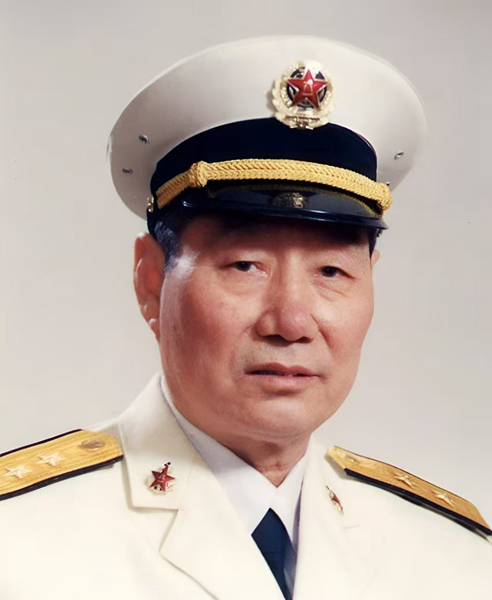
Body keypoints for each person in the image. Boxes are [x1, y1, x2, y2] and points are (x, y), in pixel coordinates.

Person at [0, 36, 490, 599]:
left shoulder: (455, 559)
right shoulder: (19, 544)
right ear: (151, 280)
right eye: (245, 265)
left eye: (331, 271)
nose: (291, 322)